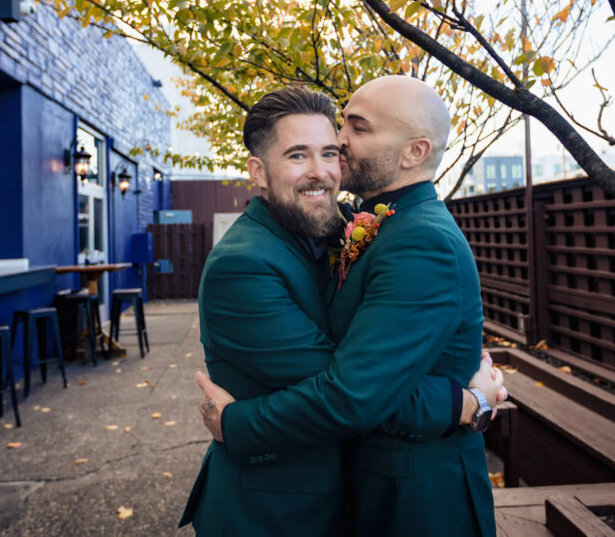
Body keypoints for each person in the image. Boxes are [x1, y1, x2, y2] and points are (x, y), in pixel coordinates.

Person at [179, 86, 503, 536]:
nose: (338, 148)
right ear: (258, 171)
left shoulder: (413, 237)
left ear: (415, 151)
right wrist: (467, 404)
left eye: (351, 132)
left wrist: (238, 424)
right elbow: (351, 383)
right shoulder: (252, 260)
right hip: (275, 512)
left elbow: (355, 389)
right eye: (297, 156)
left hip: (417, 499)